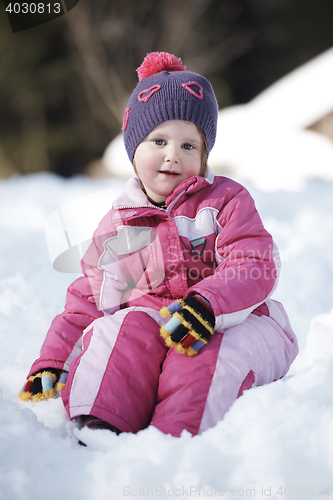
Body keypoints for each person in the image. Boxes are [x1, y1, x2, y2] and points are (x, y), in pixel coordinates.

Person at [19, 52, 298, 440]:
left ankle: (175, 441)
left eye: (189, 146)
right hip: (158, 329)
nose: (173, 155)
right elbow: (87, 300)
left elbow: (252, 261)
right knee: (121, 330)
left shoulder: (225, 203)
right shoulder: (120, 226)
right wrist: (52, 362)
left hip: (235, 323)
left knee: (203, 353)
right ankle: (101, 425)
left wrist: (207, 304)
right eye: (160, 140)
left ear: (203, 157)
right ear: (134, 151)